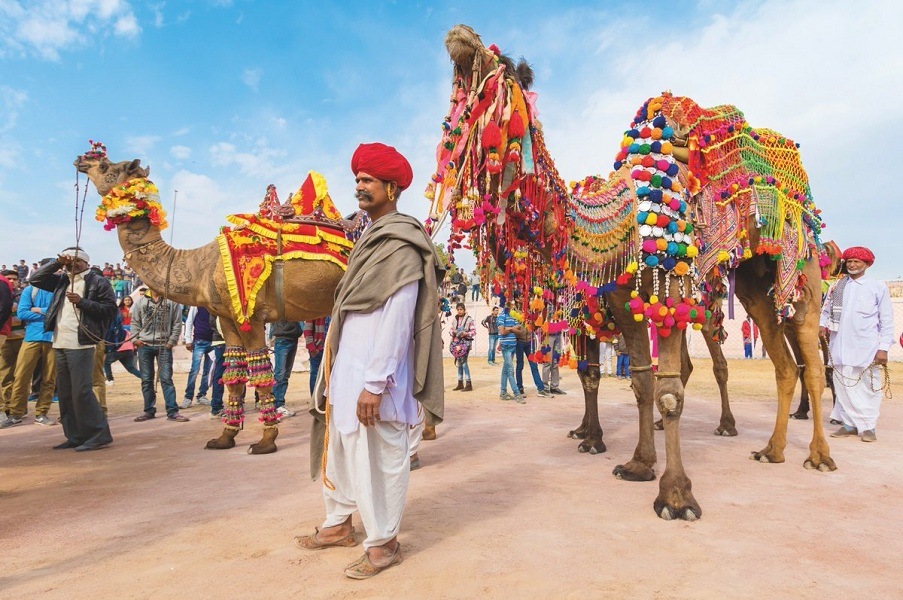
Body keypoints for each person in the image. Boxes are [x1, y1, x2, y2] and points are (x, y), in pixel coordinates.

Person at [301, 142, 444, 580]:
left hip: (377, 376)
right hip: (347, 369)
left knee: (379, 456)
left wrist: (375, 382)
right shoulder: (369, 239)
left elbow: (399, 318)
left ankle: (384, 542)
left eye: (368, 180)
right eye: (358, 179)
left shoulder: (400, 242)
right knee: (342, 449)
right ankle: (339, 523)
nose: (359, 186)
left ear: (392, 187)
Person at [28, 247, 116, 450]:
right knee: (66, 393)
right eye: (68, 261)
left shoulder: (97, 281)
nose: (72, 264)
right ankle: (75, 435)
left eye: (77, 260)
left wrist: (82, 302)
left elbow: (110, 309)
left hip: (81, 342)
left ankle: (99, 434)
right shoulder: (62, 279)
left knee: (81, 391)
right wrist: (57, 263)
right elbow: (36, 279)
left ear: (86, 262)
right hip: (59, 341)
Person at [820, 246, 893, 442]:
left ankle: (868, 426)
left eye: (857, 262)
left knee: (867, 387)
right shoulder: (837, 287)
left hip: (866, 348)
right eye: (849, 261)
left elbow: (886, 320)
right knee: (842, 385)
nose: (852, 265)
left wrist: (883, 348)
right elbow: (825, 311)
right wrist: (820, 325)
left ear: (866, 264)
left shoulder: (877, 287)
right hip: (839, 346)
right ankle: (849, 425)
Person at [3, 279, 57, 427]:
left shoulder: (59, 289)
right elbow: (22, 313)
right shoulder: (30, 290)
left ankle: (41, 413)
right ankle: (16, 413)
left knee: (49, 377)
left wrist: (37, 309)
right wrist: (48, 312)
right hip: (32, 337)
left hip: (53, 337)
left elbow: (60, 312)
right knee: (21, 375)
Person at [132, 288, 189, 422]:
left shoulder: (172, 302)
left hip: (164, 345)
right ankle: (148, 410)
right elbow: (135, 322)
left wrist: (171, 342)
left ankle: (172, 411)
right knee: (146, 380)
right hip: (144, 345)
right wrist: (135, 340)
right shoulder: (140, 302)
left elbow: (177, 323)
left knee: (166, 379)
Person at [180, 305, 214, 407]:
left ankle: (202, 395)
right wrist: (188, 339)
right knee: (194, 370)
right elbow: (189, 321)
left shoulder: (215, 305)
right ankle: (188, 397)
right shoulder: (197, 305)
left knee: (208, 371)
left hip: (213, 342)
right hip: (199, 341)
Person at [268, 320, 300, 418]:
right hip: (282, 339)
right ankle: (276, 406)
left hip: (293, 338)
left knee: (285, 375)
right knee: (280, 374)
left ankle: (280, 405)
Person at [496, 299, 524, 403]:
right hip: (506, 346)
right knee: (510, 370)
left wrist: (510, 328)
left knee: (506, 370)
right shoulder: (502, 316)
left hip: (512, 345)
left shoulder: (513, 315)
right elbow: (502, 331)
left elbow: (520, 330)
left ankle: (503, 392)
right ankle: (516, 393)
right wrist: (512, 328)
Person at [515, 325, 547, 397]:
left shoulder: (531, 315)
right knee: (520, 366)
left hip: (530, 343)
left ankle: (540, 389)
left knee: (534, 365)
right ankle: (520, 388)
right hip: (519, 343)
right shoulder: (515, 316)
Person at [449, 302, 475, 391]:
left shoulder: (469, 319)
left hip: (465, 344)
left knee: (464, 363)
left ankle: (468, 384)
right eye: (458, 309)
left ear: (464, 310)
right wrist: (452, 333)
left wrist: (466, 333)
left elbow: (473, 332)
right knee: (459, 364)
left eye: (461, 309)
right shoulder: (454, 319)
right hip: (456, 344)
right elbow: (451, 330)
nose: (459, 311)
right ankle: (460, 383)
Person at [302, 317, 329, 395]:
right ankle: (314, 401)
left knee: (329, 376)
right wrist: (313, 348)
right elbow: (307, 330)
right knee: (315, 375)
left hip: (330, 350)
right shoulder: (315, 311)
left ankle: (324, 402)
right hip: (318, 349)